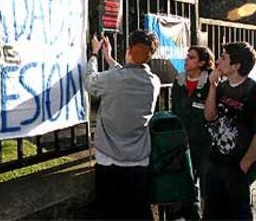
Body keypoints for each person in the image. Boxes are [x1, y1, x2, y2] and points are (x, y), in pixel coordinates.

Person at [85, 29, 160, 219]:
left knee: (108, 211)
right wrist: (109, 58)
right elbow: (126, 75)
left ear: (129, 51)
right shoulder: (154, 82)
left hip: (109, 160)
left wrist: (94, 54)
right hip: (138, 160)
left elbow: (90, 82)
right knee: (137, 212)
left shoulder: (113, 79)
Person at [203, 42, 256, 220]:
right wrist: (212, 86)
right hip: (218, 159)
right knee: (213, 210)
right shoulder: (223, 87)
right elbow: (210, 116)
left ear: (236, 65)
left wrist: (245, 164)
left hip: (238, 164)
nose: (218, 61)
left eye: (223, 58)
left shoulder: (255, 91)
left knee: (237, 212)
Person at [168, 46, 215, 219]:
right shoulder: (179, 80)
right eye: (187, 56)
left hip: (205, 143)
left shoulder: (211, 81)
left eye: (191, 57)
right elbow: (174, 109)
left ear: (202, 62)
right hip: (183, 142)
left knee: (207, 185)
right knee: (187, 183)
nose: (186, 59)